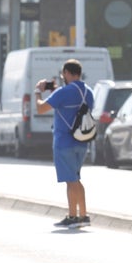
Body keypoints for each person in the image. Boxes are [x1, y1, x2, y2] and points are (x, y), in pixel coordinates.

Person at [35, 58, 94, 228]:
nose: (63, 77)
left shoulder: (63, 93)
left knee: (70, 180)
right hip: (82, 140)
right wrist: (56, 90)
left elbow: (41, 108)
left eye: (64, 74)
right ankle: (83, 215)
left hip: (64, 141)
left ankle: (73, 216)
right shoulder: (88, 92)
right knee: (76, 177)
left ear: (68, 73)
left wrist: (38, 92)